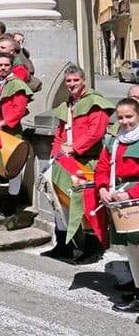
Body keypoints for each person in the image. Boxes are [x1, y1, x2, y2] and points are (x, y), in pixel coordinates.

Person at [41, 64, 113, 263]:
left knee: (88, 203)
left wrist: (74, 148)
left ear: (84, 81)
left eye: (75, 80)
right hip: (65, 161)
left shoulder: (95, 102)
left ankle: (93, 248)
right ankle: (64, 245)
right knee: (59, 201)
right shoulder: (67, 105)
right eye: (68, 81)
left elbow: (95, 132)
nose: (72, 84)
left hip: (88, 161)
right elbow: (59, 134)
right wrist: (54, 156)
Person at [95, 98, 139, 314]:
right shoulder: (114, 141)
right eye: (120, 117)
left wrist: (130, 193)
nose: (124, 121)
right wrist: (102, 188)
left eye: (129, 116)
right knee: (132, 250)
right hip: (120, 201)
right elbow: (103, 167)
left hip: (134, 198)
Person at [0, 53, 33, 215]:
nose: (2, 68)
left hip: (11, 131)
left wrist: (3, 122)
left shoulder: (17, 85)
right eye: (0, 65)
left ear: (11, 67)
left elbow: (19, 109)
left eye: (6, 65)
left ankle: (12, 199)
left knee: (13, 167)